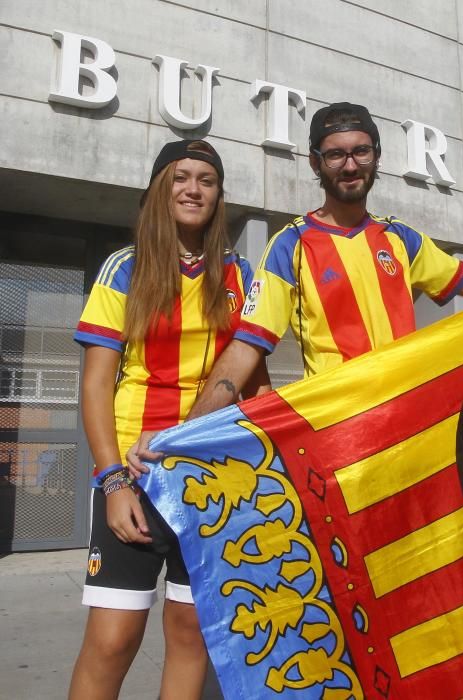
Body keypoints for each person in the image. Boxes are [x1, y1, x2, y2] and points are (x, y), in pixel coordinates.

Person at [126, 102, 463, 464]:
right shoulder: (290, 247)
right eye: (336, 154)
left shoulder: (401, 238)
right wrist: (182, 434)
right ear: (315, 162)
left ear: (376, 157)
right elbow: (244, 353)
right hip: (339, 438)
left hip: (414, 430)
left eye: (360, 151)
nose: (350, 165)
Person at [69, 140, 267, 700]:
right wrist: (111, 481)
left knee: (191, 635)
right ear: (160, 188)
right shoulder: (124, 267)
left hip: (211, 476)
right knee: (112, 640)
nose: (193, 189)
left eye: (207, 180)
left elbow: (255, 383)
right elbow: (95, 383)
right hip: (134, 475)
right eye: (181, 177)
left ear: (218, 196)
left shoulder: (240, 272)